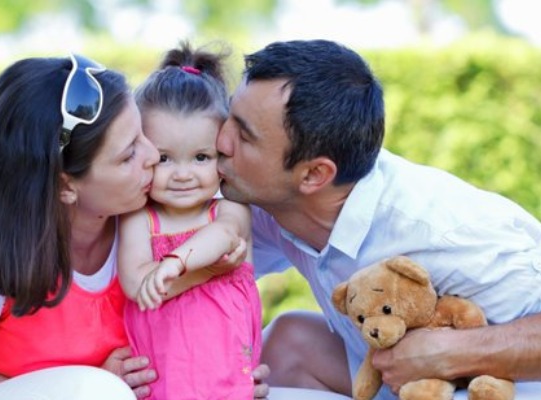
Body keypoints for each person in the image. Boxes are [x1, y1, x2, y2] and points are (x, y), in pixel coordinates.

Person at [0, 53, 269, 400]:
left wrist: (227, 372)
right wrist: (85, 384)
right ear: (66, 186)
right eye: (129, 154)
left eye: (143, 135)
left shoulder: (153, 225)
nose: (151, 158)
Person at [215, 39, 541, 399]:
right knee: (288, 344)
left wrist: (454, 353)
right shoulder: (268, 202)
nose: (220, 141)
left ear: (314, 175)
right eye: (228, 115)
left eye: (244, 135)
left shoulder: (441, 234)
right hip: (392, 381)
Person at [118, 42, 262, 399]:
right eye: (164, 159)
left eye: (200, 157)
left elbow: (223, 236)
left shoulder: (228, 209)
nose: (183, 175)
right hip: (162, 378)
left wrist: (175, 263)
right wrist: (204, 271)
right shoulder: (140, 218)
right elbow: (137, 284)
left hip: (226, 376)